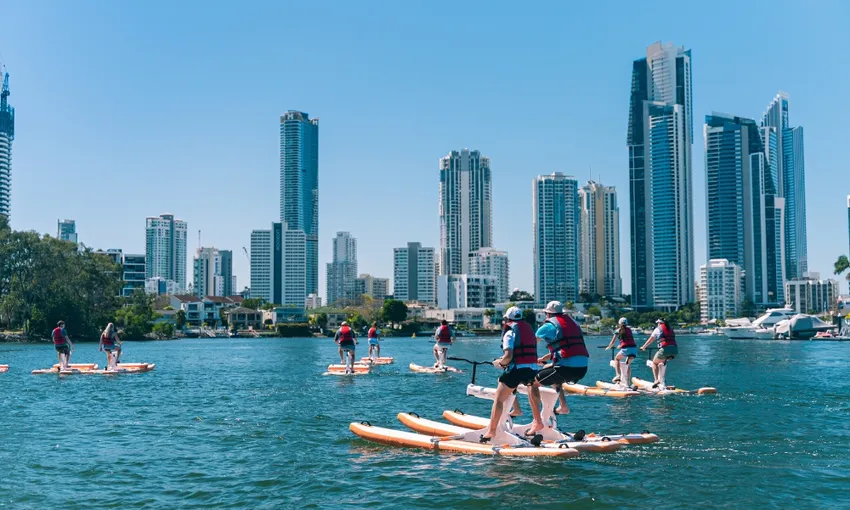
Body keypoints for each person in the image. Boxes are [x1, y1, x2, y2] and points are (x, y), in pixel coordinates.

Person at [480, 306, 541, 442]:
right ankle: (535, 419)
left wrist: (500, 363)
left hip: (517, 370)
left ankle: (491, 431)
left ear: (507, 319)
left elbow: (508, 356)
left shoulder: (509, 332)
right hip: (532, 369)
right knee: (526, 386)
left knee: (499, 398)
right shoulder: (529, 329)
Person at [531, 301, 589, 419]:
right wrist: (544, 358)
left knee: (532, 383)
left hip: (565, 369)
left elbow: (529, 344)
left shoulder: (548, 326)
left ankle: (537, 421)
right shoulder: (574, 324)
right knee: (548, 368)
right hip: (583, 369)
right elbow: (567, 347)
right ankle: (563, 406)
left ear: (548, 314)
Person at [640, 318, 679, 388]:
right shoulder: (670, 329)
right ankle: (663, 382)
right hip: (675, 351)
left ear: (659, 323)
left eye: (657, 323)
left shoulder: (658, 329)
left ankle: (656, 380)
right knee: (662, 362)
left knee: (654, 363)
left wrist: (643, 347)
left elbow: (651, 340)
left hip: (664, 350)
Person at [605, 317, 637, 385]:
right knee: (628, 365)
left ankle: (618, 375)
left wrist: (609, 347)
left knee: (617, 359)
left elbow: (612, 342)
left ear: (619, 324)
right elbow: (628, 340)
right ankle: (628, 383)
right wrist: (620, 345)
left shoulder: (618, 331)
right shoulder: (629, 330)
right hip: (634, 349)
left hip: (626, 349)